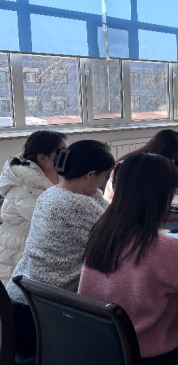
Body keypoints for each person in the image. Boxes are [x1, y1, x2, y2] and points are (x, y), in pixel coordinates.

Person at [79, 153, 178, 364]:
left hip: (106, 347)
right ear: (160, 196)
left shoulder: (102, 234)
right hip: (157, 353)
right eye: (172, 191)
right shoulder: (163, 249)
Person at [7, 140, 114, 358]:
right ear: (90, 175)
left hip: (21, 298)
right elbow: (117, 233)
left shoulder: (51, 193)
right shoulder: (78, 205)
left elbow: (106, 211)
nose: (103, 183)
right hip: (43, 315)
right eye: (104, 176)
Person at [0, 130, 68, 286]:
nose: (67, 157)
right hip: (16, 249)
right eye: (63, 153)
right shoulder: (25, 186)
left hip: (36, 243)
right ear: (42, 158)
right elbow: (50, 220)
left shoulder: (55, 172)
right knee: (17, 295)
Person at [104, 129, 178, 202]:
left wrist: (173, 190)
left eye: (176, 159)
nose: (172, 162)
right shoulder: (128, 168)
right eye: (171, 158)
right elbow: (131, 201)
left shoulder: (160, 167)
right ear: (159, 152)